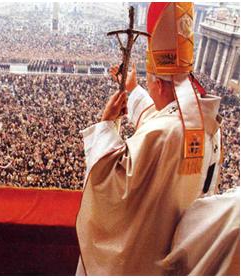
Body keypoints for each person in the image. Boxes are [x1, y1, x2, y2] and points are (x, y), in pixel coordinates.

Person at [75, 3, 226, 275]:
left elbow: (109, 180)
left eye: (148, 82)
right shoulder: (203, 123)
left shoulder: (163, 133)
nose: (149, 88)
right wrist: (132, 90)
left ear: (157, 84)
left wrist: (106, 124)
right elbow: (158, 121)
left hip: (146, 257)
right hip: (184, 251)